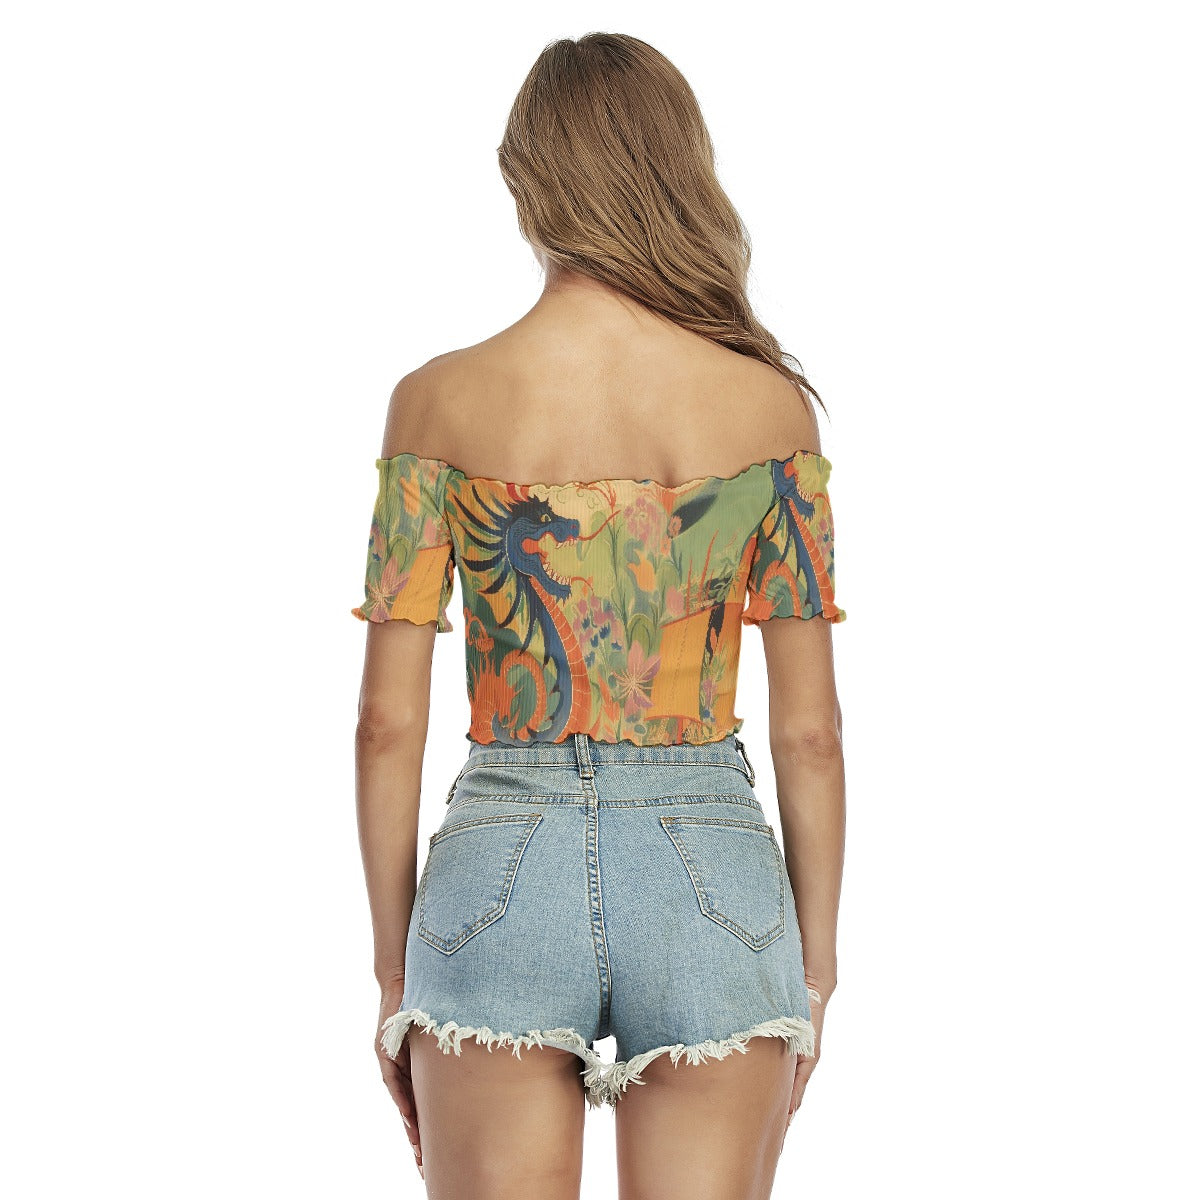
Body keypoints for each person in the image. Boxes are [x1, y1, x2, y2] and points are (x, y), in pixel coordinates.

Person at [351, 32, 847, 1200]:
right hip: (712, 870)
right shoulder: (768, 407)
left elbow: (385, 724)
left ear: (529, 181)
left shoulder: (437, 400)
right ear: (680, 170)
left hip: (497, 866)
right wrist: (814, 969)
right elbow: (811, 733)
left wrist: (393, 972)